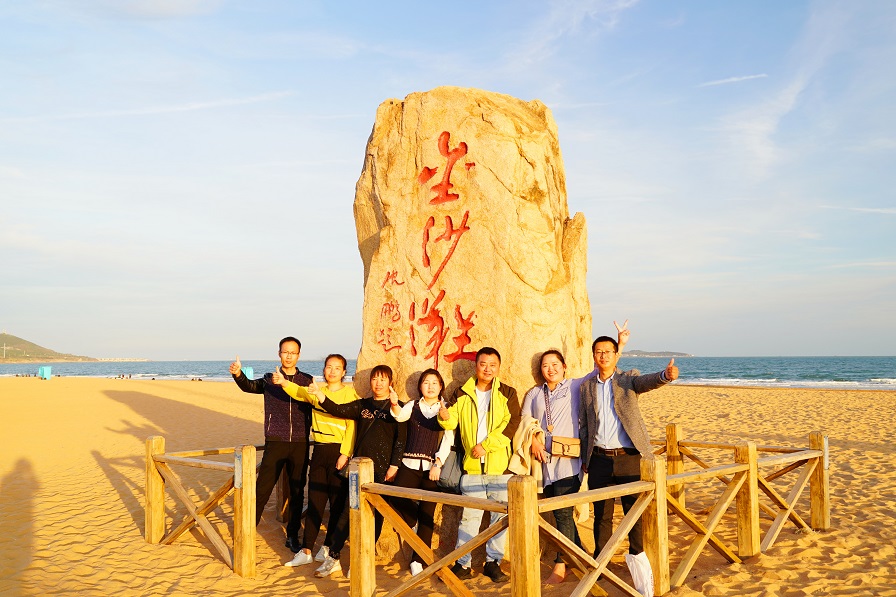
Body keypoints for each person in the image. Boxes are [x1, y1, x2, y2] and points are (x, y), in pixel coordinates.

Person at [523, 322, 630, 583]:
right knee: (561, 514)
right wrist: (533, 439)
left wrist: (620, 346)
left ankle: (563, 564)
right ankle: (580, 556)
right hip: (543, 464)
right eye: (545, 365)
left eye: (555, 364)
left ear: (564, 367)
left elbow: (601, 369)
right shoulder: (534, 393)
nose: (550, 369)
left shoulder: (574, 386)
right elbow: (525, 420)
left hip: (569, 462)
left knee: (562, 512)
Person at [277, 364, 406, 578]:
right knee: (346, 513)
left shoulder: (397, 408)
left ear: (390, 382)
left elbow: (401, 440)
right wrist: (320, 395)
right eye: (375, 378)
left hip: (383, 471)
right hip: (359, 468)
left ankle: (363, 560)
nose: (378, 383)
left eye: (383, 379)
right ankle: (334, 557)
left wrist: (394, 466)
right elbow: (338, 409)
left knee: (376, 516)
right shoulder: (362, 405)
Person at [579, 334, 678, 560]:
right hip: (598, 459)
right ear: (593, 356)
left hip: (629, 457)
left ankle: (637, 558)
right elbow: (584, 425)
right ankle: (601, 562)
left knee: (633, 513)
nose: (603, 356)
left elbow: (646, 383)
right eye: (599, 352)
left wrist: (665, 376)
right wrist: (586, 457)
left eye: (608, 352)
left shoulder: (627, 378)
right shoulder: (586, 387)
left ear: (616, 355)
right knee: (601, 516)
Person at [438, 347, 518, 583]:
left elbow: (512, 424)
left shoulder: (507, 393)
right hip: (472, 467)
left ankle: (493, 563)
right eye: (483, 364)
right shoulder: (462, 392)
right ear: (476, 366)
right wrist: (444, 417)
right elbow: (452, 421)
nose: (487, 369)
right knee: (469, 518)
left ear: (499, 367)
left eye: (492, 365)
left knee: (499, 519)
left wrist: (487, 446)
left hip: (499, 467)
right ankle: (462, 563)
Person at [228, 337, 312, 552]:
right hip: (275, 441)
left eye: (293, 352)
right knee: (262, 489)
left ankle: (292, 535)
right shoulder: (269, 379)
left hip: (300, 442)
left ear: (299, 355)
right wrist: (238, 374)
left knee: (297, 492)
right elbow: (249, 386)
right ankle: (247, 531)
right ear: (279, 354)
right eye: (285, 352)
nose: (289, 356)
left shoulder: (307, 380)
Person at [277, 354, 356, 568]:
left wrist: (345, 453)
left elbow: (352, 426)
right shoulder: (316, 390)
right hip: (319, 450)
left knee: (336, 504)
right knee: (315, 502)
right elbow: (299, 392)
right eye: (329, 367)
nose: (332, 371)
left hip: (338, 452)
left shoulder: (350, 394)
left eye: (337, 368)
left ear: (344, 372)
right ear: (324, 370)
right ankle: (306, 550)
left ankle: (328, 547)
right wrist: (284, 382)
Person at [388, 369, 456, 577]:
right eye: (426, 382)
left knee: (427, 514)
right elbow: (400, 416)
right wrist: (394, 403)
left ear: (441, 386)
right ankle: (412, 521)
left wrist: (438, 463)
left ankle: (417, 560)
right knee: (395, 495)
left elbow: (448, 439)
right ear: (420, 386)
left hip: (432, 469)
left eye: (435, 383)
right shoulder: (413, 405)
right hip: (409, 463)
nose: (430, 386)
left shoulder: (445, 409)